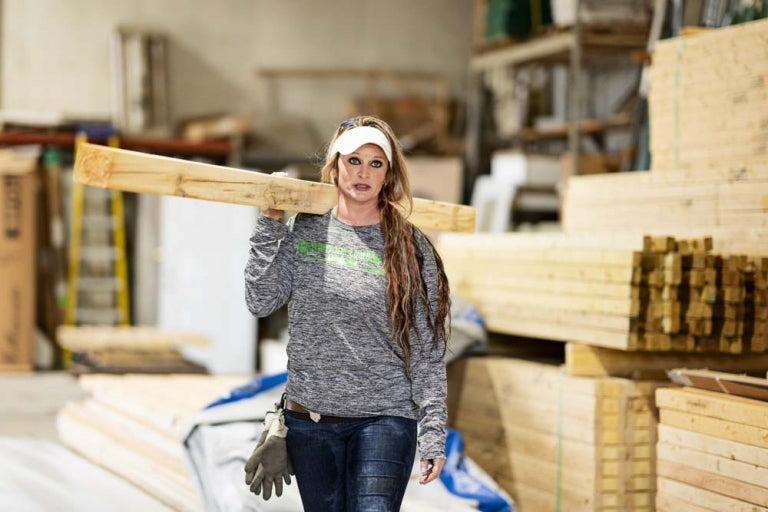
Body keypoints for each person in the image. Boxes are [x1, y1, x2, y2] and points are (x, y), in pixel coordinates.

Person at [244, 115, 451, 511]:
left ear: (388, 175)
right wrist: (270, 224)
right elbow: (261, 301)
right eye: (353, 160)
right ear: (335, 166)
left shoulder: (410, 247)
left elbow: (428, 348)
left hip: (385, 418)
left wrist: (433, 431)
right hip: (311, 421)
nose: (363, 172)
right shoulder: (306, 232)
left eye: (376, 164)